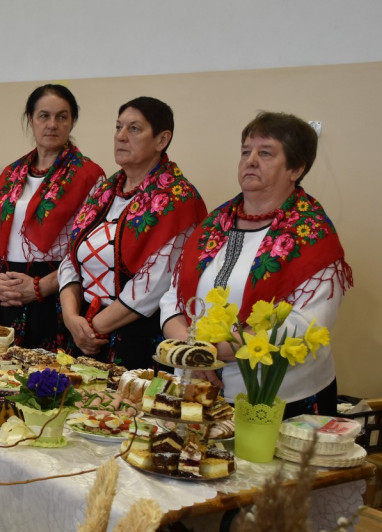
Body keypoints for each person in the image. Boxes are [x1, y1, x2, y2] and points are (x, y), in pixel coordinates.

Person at [160, 112, 352, 416]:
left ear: (296, 168)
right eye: (246, 151)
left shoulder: (312, 234)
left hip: (278, 398)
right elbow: (173, 295)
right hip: (199, 385)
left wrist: (213, 353)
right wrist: (191, 353)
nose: (250, 160)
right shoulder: (214, 224)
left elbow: (304, 326)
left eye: (265, 153)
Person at [58, 96, 207, 369]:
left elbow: (157, 281)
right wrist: (70, 317)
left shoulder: (178, 199)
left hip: (134, 334)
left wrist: (92, 326)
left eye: (134, 129)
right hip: (81, 329)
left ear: (161, 140)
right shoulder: (104, 191)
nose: (121, 137)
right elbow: (71, 255)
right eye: (118, 127)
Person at [0, 84, 105, 350]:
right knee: (1, 380)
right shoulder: (11, 174)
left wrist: (42, 286)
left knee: (48, 381)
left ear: (72, 122)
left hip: (56, 291)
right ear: (30, 119)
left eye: (62, 116)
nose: (52, 124)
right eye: (44, 116)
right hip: (6, 292)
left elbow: (87, 248)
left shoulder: (88, 175)